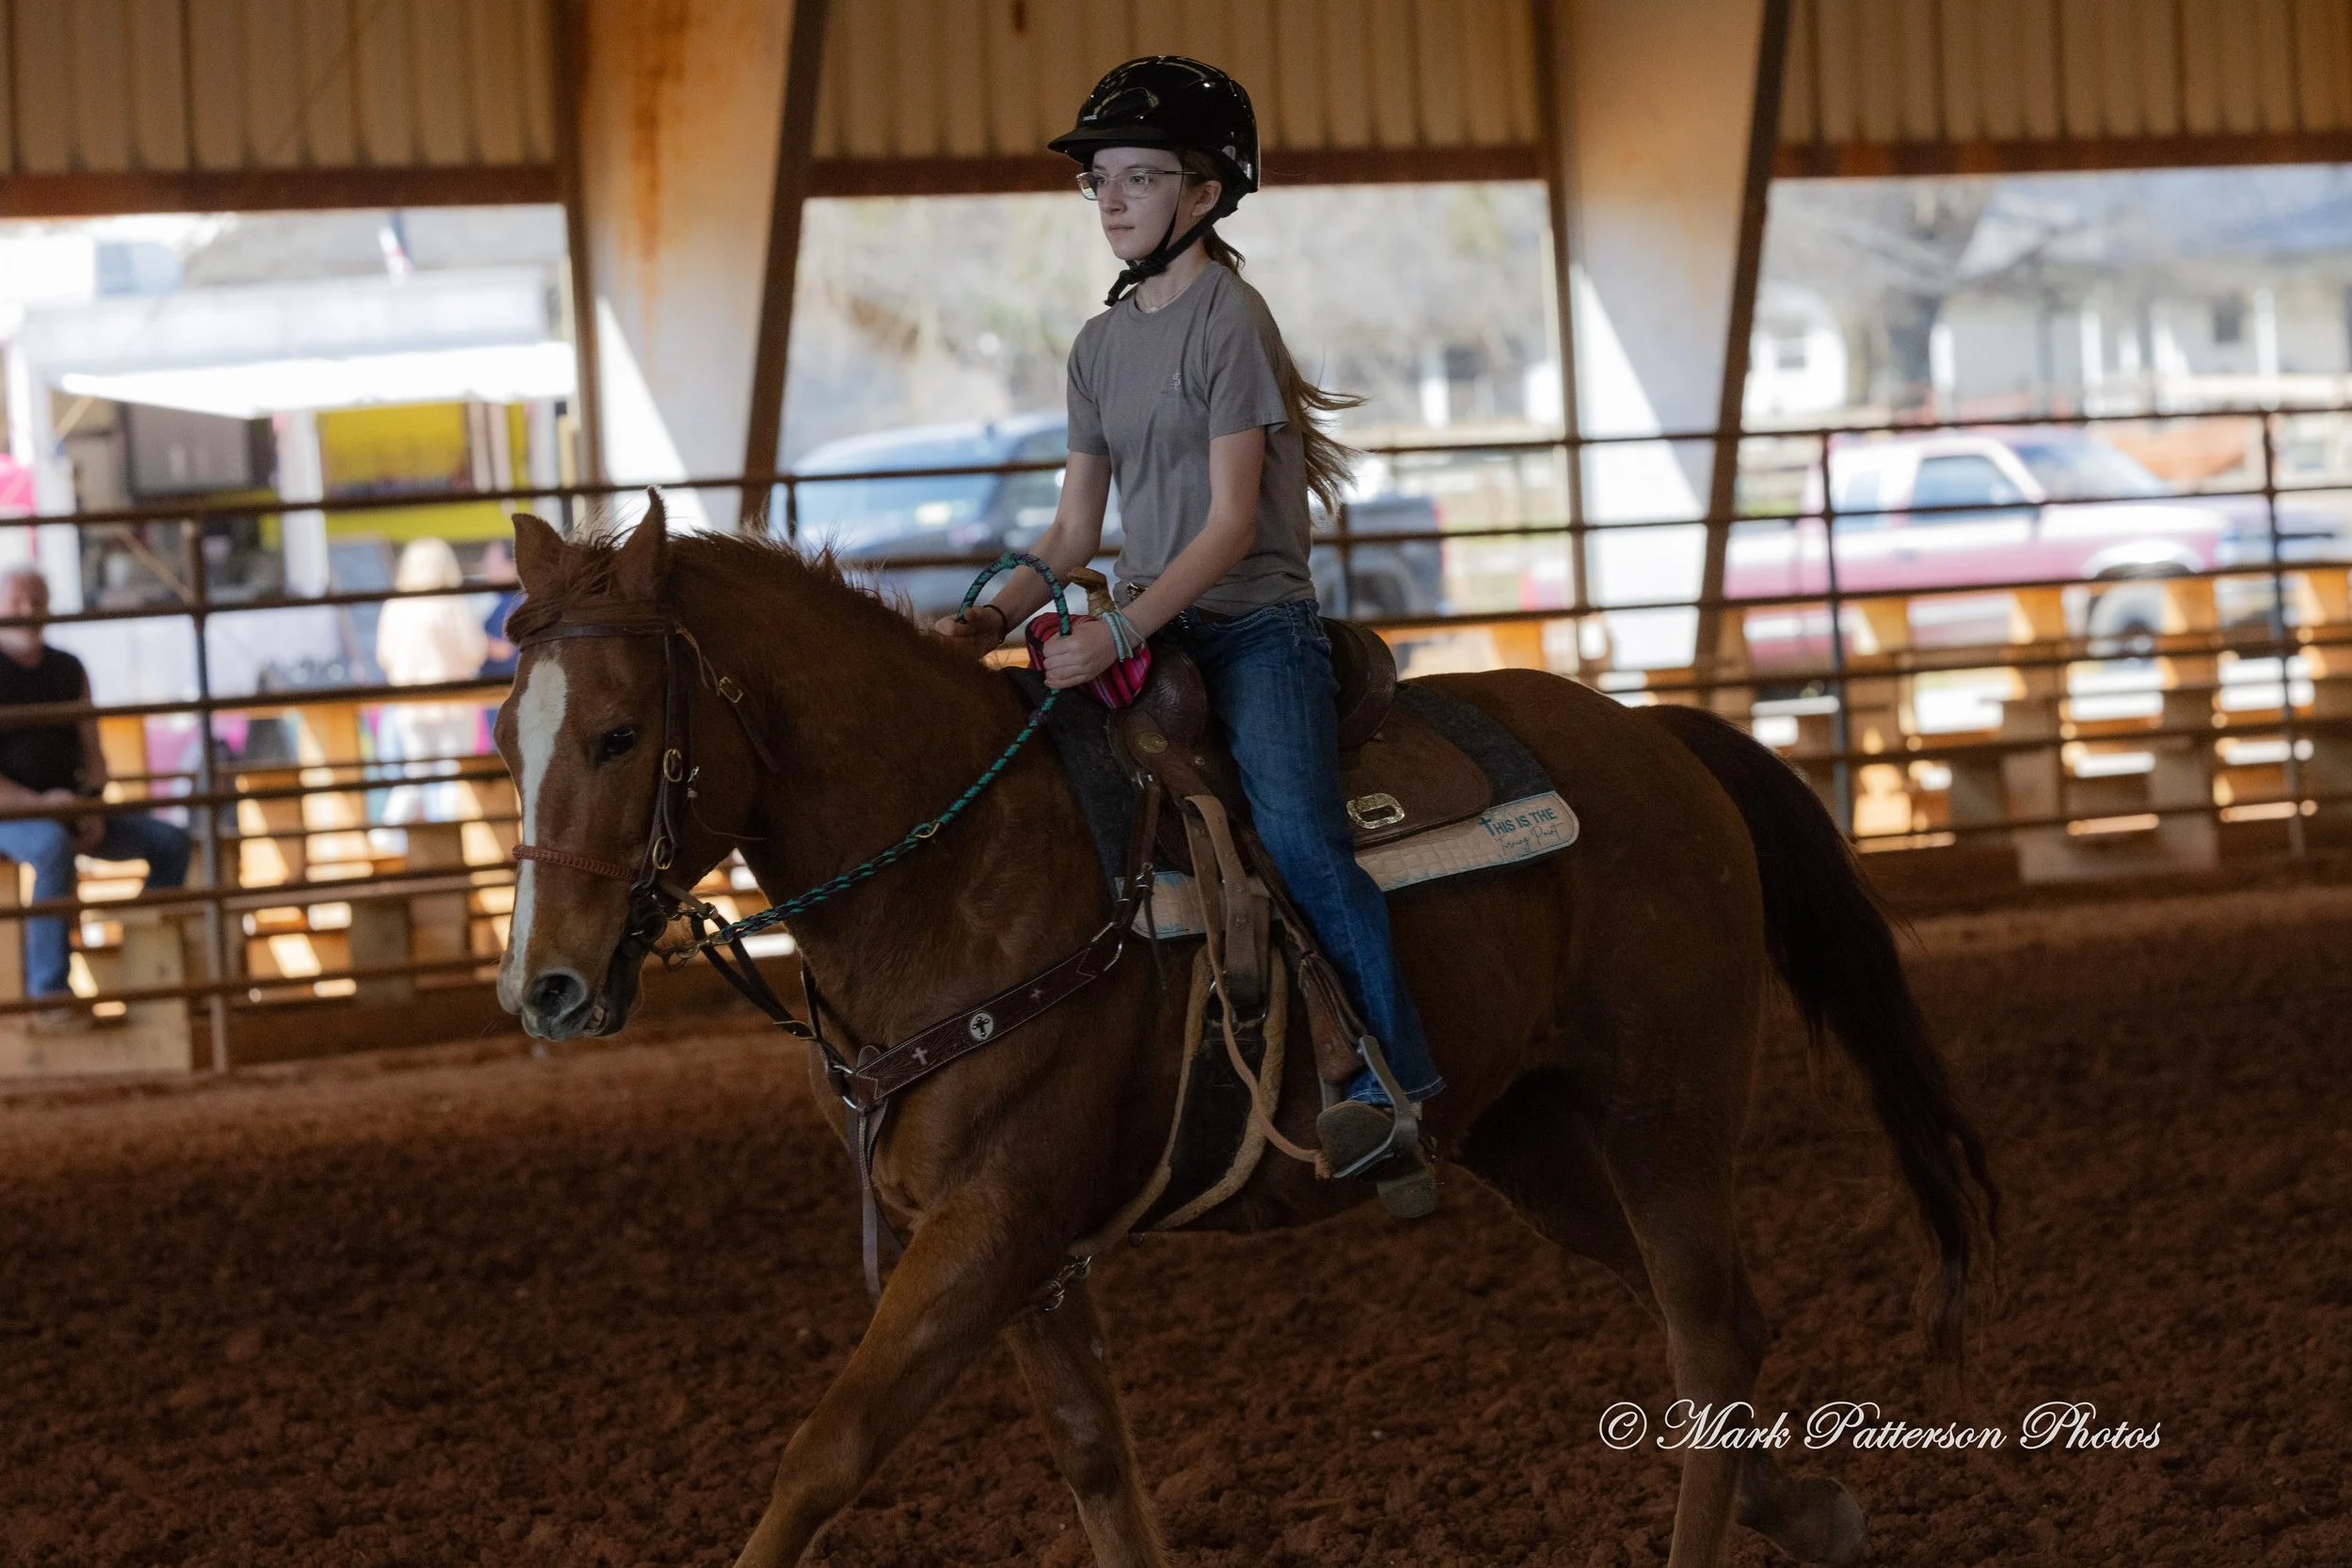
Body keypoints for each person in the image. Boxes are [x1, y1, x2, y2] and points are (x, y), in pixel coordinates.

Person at [932, 57, 1442, 1187]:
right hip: (1150, 629)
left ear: (1202, 195)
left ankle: (1388, 1082)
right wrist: (989, 612)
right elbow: (1072, 530)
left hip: (1251, 627)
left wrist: (1115, 635)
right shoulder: (1098, 346)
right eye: (1098, 181)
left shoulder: (1230, 320)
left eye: (1136, 177)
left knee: (1303, 836)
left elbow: (1222, 528)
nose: (1108, 200)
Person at [0, 564, 190, 1020]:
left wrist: (92, 805)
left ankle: (149, 968)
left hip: (71, 807)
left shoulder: (69, 669)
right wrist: (42, 806)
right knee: (50, 846)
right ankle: (50, 996)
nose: (30, 611)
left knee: (171, 843)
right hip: (13, 815)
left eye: (38, 601)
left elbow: (93, 747)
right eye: (19, 601)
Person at [375, 538, 488, 825]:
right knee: (455, 777)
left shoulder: (396, 606)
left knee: (414, 775)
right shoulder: (450, 604)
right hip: (452, 703)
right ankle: (456, 839)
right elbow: (474, 651)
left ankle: (385, 835)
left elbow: (384, 656)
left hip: (409, 704)